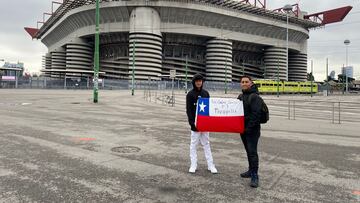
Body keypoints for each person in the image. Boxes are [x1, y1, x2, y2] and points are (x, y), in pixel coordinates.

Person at [186, 73, 218, 174]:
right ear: (194, 82)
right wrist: (192, 124)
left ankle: (210, 165)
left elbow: (209, 109)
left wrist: (209, 122)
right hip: (195, 125)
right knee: (193, 145)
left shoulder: (206, 93)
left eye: (200, 81)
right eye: (197, 81)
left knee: (206, 144)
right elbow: (189, 110)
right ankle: (193, 164)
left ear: (202, 82)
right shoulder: (190, 94)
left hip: (205, 124)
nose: (199, 83)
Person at [237, 76, 262, 188]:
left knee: (252, 152)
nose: (244, 83)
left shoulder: (255, 97)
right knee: (248, 151)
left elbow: (256, 115)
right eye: (242, 82)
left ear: (251, 83)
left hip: (252, 130)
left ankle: (255, 176)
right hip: (243, 129)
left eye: (246, 82)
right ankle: (250, 170)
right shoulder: (241, 96)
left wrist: (248, 128)